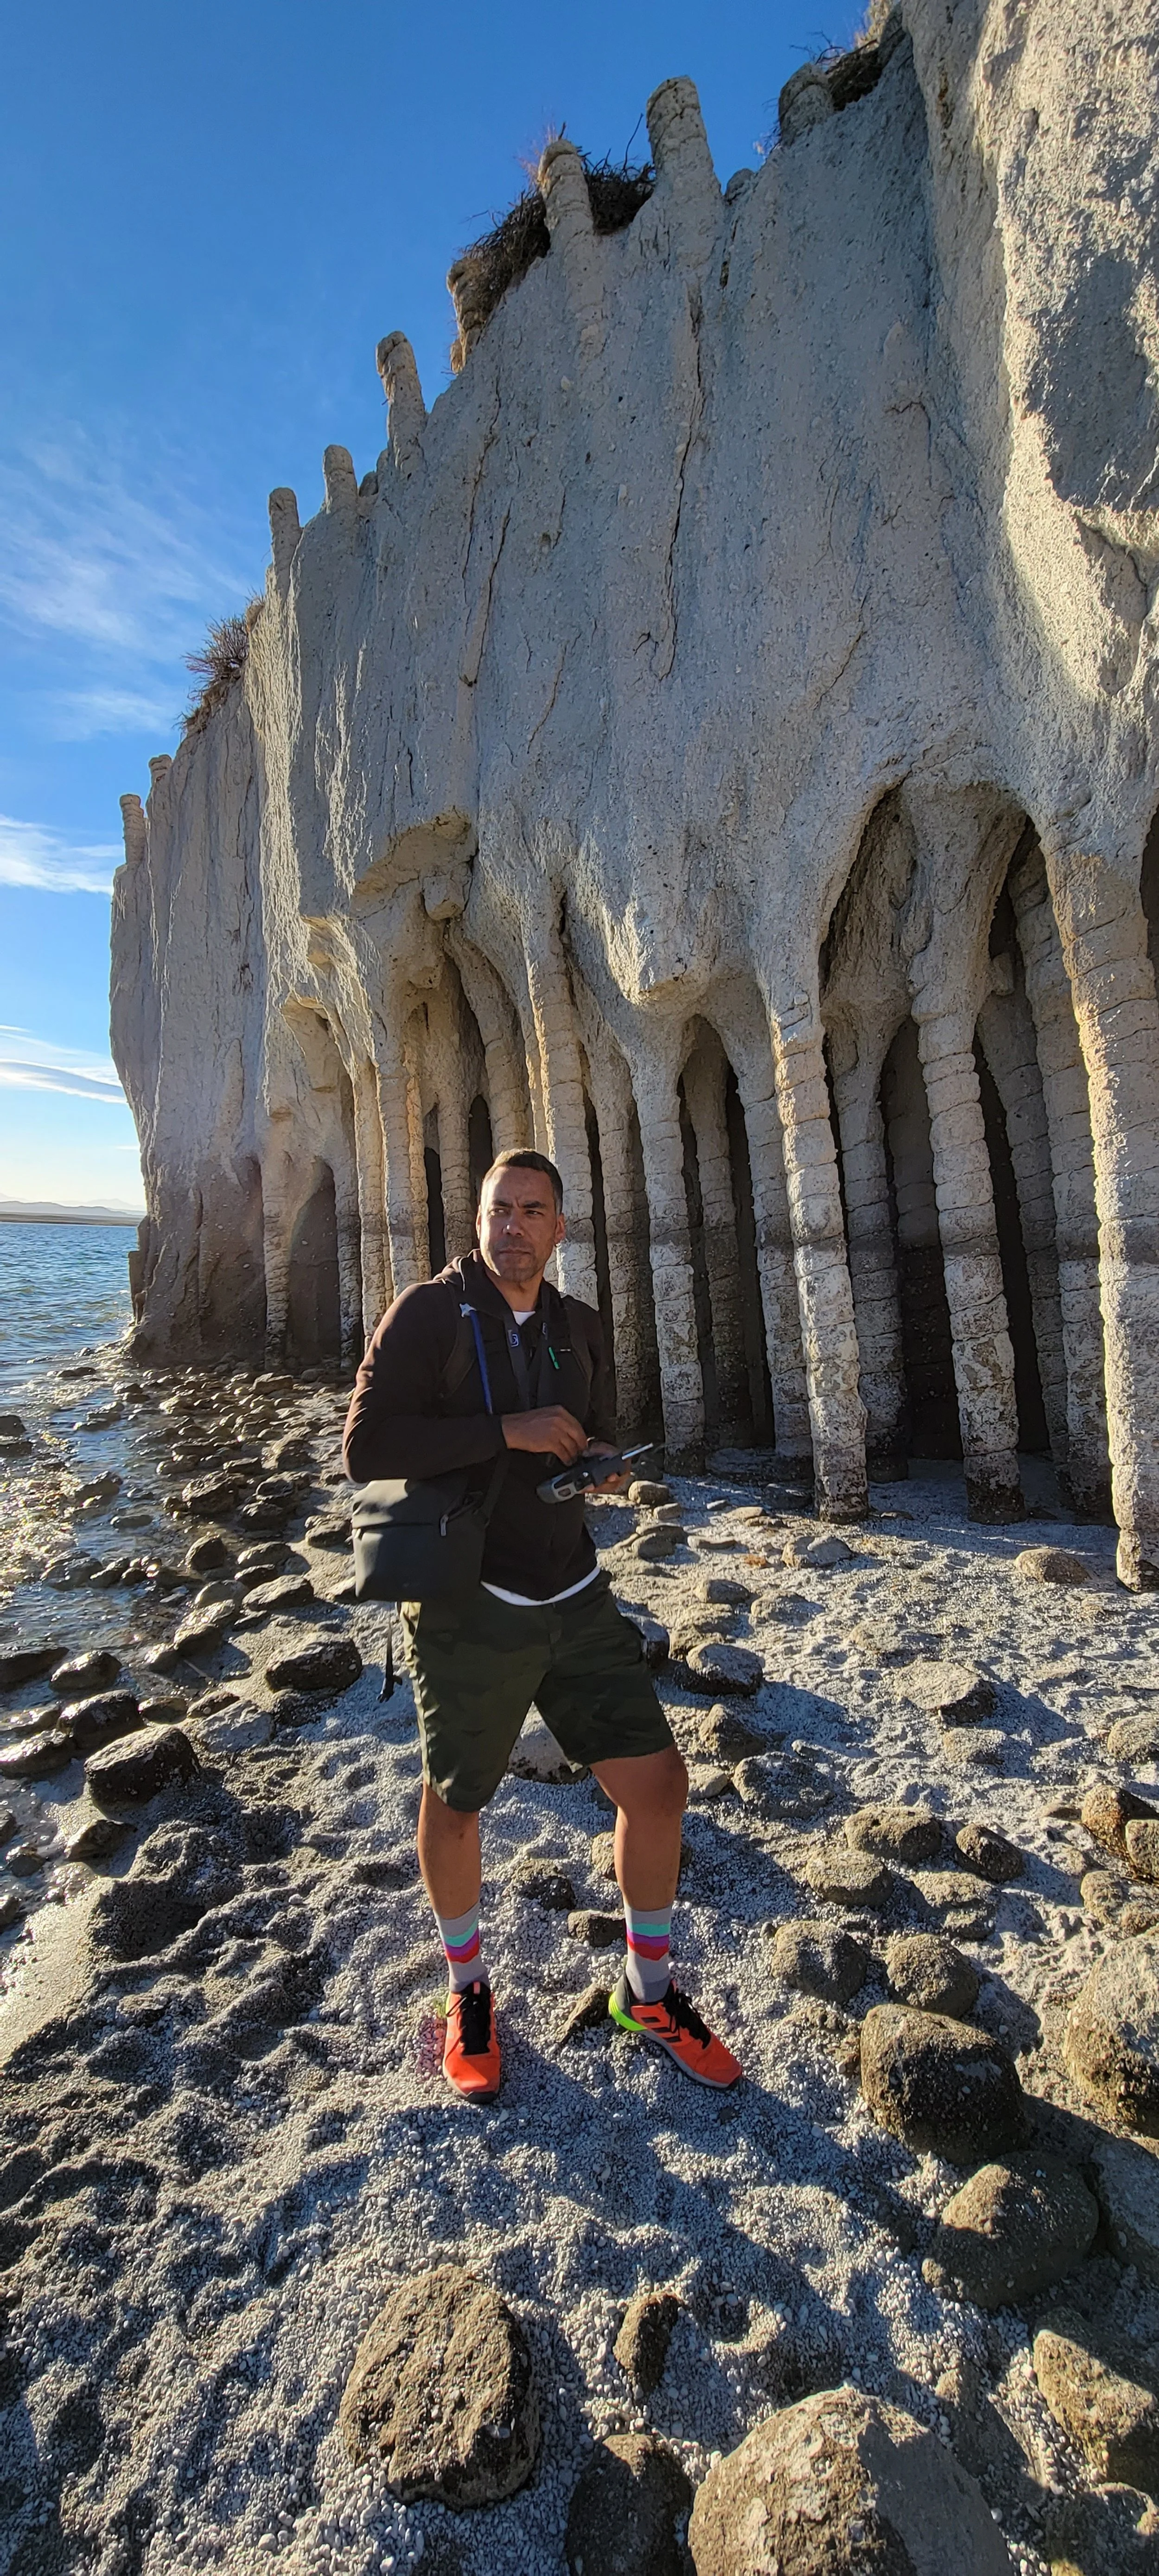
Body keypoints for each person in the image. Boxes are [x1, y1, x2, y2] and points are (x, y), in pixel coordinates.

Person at [343, 1148, 742, 2103]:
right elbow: (365, 1447)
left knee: (657, 1788)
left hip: (573, 1590)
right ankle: (467, 1992)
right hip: (466, 1602)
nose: (513, 1226)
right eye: (497, 1210)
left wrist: (600, 1461)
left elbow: (590, 1430)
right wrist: (503, 1431)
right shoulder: (428, 1314)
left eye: (531, 1211)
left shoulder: (581, 1328)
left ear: (559, 1228)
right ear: (476, 1221)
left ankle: (645, 1993)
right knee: (459, 1799)